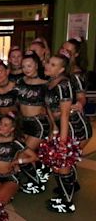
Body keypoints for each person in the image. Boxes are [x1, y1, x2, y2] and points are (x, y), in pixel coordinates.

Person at [44, 52, 81, 213]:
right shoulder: (50, 82)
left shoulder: (64, 85)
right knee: (58, 165)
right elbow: (50, 111)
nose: (47, 66)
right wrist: (54, 129)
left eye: (53, 65)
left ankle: (67, 204)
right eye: (48, 63)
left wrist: (62, 143)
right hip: (60, 127)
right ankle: (67, 191)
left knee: (63, 165)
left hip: (72, 128)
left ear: (61, 70)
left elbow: (65, 115)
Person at [0, 113, 37, 204]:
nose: (1, 126)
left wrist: (17, 161)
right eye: (0, 123)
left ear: (12, 129)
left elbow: (34, 157)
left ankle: (10, 192)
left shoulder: (15, 143)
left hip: (10, 177)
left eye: (5, 125)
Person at [16, 51, 50, 194]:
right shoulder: (20, 82)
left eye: (29, 66)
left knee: (23, 155)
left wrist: (54, 130)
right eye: (24, 66)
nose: (26, 69)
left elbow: (50, 109)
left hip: (38, 125)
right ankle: (35, 180)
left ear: (36, 65)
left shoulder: (45, 85)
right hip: (23, 124)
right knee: (21, 152)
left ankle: (36, 183)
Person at [59, 38, 92, 149]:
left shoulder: (76, 74)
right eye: (62, 48)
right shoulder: (59, 70)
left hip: (76, 126)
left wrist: (78, 104)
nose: (63, 51)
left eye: (68, 51)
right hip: (61, 123)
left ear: (76, 54)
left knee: (66, 162)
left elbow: (82, 97)